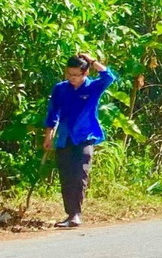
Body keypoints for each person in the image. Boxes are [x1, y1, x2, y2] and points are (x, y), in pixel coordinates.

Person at [43, 53, 116, 228]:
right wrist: (48, 135)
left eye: (76, 75)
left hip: (85, 137)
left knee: (80, 174)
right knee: (66, 177)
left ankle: (76, 214)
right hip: (64, 137)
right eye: (69, 74)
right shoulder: (60, 88)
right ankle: (70, 214)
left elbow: (109, 77)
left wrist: (92, 60)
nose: (72, 78)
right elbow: (53, 113)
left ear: (85, 73)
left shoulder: (93, 87)